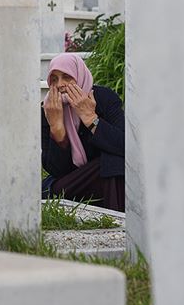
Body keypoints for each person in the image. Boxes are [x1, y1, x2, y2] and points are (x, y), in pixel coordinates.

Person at [41, 53, 125, 211]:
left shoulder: (104, 98)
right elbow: (58, 171)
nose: (60, 85)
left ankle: (115, 222)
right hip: (71, 185)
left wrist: (90, 118)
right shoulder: (49, 110)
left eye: (67, 77)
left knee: (112, 163)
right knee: (110, 164)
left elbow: (125, 146)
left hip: (107, 178)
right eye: (54, 79)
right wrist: (57, 129)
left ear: (79, 76)